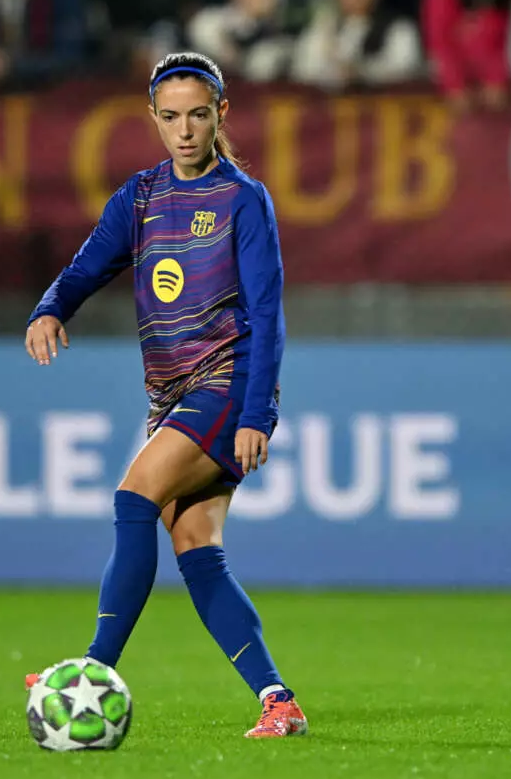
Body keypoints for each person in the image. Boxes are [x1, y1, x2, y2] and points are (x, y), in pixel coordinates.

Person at [21, 51, 307, 739]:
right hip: (171, 394)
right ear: (153, 118)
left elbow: (267, 312)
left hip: (226, 382)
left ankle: (91, 672)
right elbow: (87, 266)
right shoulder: (141, 198)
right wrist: (50, 308)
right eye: (171, 117)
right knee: (197, 549)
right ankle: (278, 701)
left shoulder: (243, 199)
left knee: (132, 498)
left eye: (198, 115)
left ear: (221, 115)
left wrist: (258, 413)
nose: (184, 130)